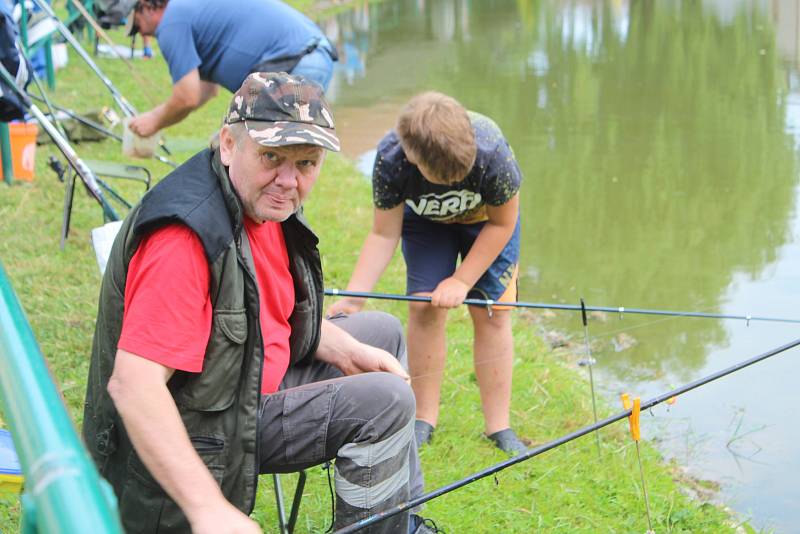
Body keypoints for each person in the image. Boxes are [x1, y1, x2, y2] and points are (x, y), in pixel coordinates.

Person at [82, 73, 440, 534]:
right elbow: (134, 386)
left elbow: (273, 310)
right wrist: (207, 508)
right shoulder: (185, 238)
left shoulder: (259, 201)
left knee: (382, 334)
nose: (288, 180)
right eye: (272, 156)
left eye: (306, 163)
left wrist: (350, 351)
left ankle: (401, 522)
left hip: (243, 379)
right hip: (207, 429)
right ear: (229, 144)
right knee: (386, 401)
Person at [327, 92, 527, 454]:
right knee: (423, 308)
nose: (451, 182)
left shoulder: (494, 152)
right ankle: (424, 417)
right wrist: (354, 299)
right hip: (427, 225)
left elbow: (503, 225)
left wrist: (462, 280)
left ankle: (499, 426)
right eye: (442, 177)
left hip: (488, 226)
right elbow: (384, 233)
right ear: (412, 156)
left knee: (492, 313)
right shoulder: (391, 160)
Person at [125, 0, 337, 138]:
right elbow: (206, 91)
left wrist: (153, 120)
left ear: (146, 7)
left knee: (245, 153)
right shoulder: (191, 10)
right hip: (317, 57)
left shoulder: (171, 22)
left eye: (137, 26)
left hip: (293, 62)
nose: (143, 33)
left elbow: (186, 97)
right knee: (233, 144)